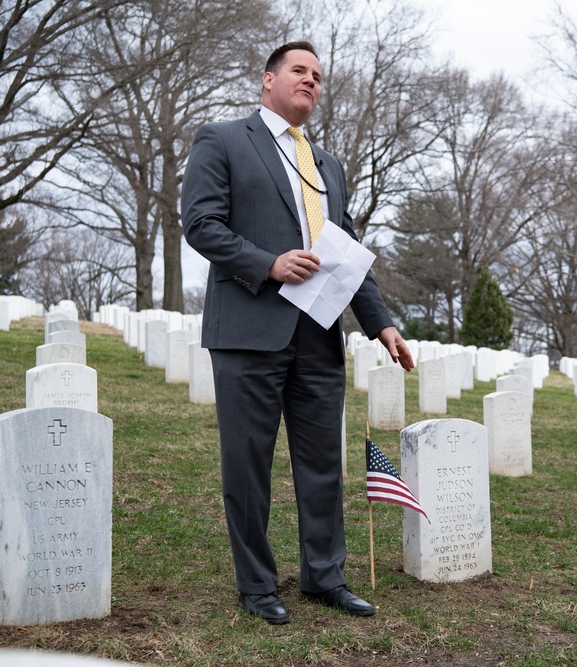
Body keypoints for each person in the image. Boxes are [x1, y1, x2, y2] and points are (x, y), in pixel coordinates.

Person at [181, 40, 415, 624]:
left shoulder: (328, 165)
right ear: (268, 80)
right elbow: (200, 224)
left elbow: (347, 255)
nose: (310, 81)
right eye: (299, 71)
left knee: (321, 465)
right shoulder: (224, 139)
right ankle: (258, 586)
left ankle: (324, 576)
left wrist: (380, 323)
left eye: (318, 76)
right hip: (248, 329)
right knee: (248, 464)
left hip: (318, 335)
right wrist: (268, 263)